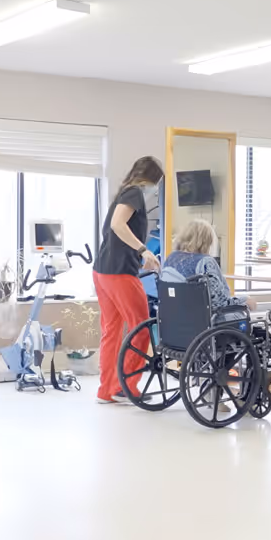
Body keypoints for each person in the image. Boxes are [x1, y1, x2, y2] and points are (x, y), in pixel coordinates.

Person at [94, 155, 163, 403]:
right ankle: (126, 387)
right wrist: (143, 250)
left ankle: (106, 390)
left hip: (102, 271)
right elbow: (117, 225)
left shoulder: (124, 192)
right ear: (153, 179)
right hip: (120, 273)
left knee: (111, 330)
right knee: (141, 327)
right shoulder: (134, 193)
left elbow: (116, 227)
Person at [159, 218, 250, 324]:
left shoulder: (170, 259)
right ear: (206, 241)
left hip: (176, 322)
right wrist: (244, 300)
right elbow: (218, 303)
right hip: (205, 324)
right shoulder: (205, 262)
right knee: (244, 319)